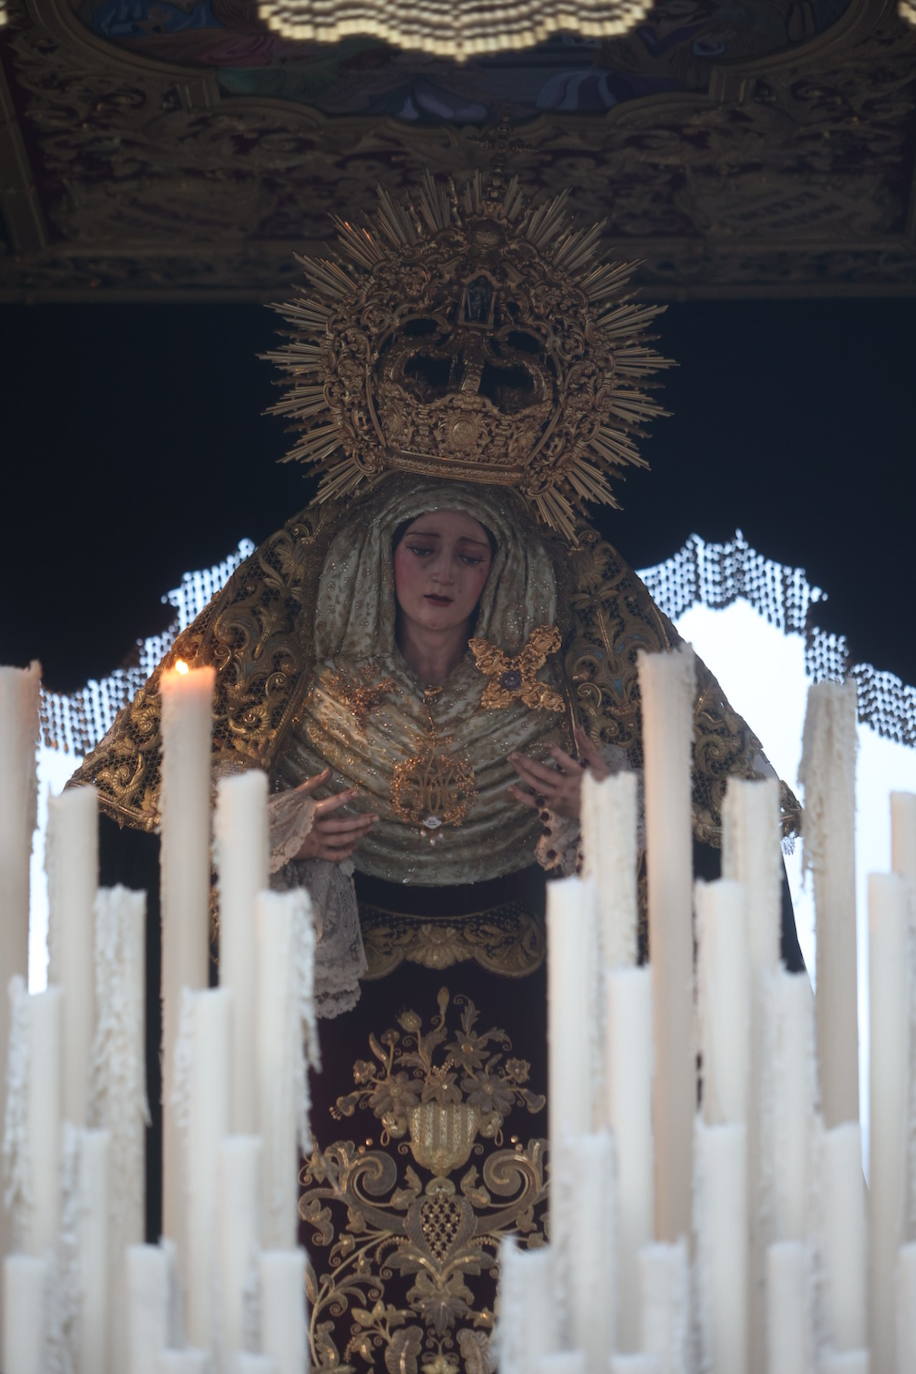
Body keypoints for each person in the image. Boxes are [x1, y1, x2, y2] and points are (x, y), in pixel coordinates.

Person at [75, 173, 803, 1372]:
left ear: (503, 570)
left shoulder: (586, 662)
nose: (445, 569)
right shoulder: (284, 658)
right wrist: (265, 836)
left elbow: (732, 831)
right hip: (322, 1040)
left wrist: (609, 820)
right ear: (377, 554)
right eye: (423, 543)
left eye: (472, 550)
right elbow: (126, 832)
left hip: (536, 1033)